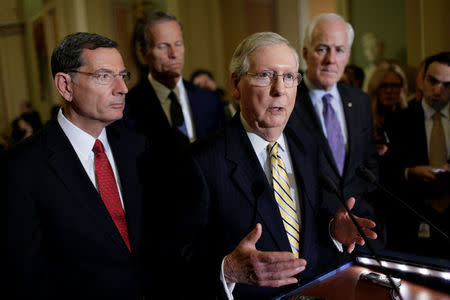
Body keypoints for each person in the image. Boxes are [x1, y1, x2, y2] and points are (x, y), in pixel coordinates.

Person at [180, 32, 377, 300]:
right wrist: (227, 270)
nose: (279, 90)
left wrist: (333, 230)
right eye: (265, 76)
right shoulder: (200, 161)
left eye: (289, 77)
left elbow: (308, 230)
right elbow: (175, 259)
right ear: (236, 84)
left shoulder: (306, 146)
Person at [1, 32, 149, 299]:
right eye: (105, 76)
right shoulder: (20, 168)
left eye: (123, 75)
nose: (122, 88)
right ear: (65, 86)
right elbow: (25, 276)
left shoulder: (140, 149)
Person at [292, 13, 383, 262]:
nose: (331, 59)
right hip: (311, 239)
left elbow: (368, 165)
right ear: (305, 52)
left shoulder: (360, 100)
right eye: (322, 48)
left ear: (348, 55)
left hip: (363, 234)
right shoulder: (288, 102)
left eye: (339, 50)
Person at [122, 11, 223, 148]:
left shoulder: (210, 101)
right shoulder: (128, 107)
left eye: (178, 44)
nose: (174, 54)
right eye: (163, 47)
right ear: (144, 54)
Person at [387, 52, 450, 258]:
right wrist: (409, 173)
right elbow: (385, 172)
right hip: (413, 224)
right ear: (422, 80)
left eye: (447, 85)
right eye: (433, 81)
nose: (438, 90)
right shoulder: (399, 120)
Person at [367, 61, 408, 157]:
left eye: (394, 85)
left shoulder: (411, 117)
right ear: (375, 87)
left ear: (402, 88)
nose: (389, 91)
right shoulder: (364, 118)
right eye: (384, 86)